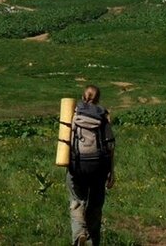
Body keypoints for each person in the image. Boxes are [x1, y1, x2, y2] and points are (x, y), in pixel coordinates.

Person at [66, 85, 115, 246]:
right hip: (98, 167)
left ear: (82, 97)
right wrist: (111, 172)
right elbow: (110, 146)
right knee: (95, 205)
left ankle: (80, 234)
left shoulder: (73, 113)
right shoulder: (102, 116)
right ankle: (92, 241)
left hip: (77, 166)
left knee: (77, 201)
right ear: (98, 99)